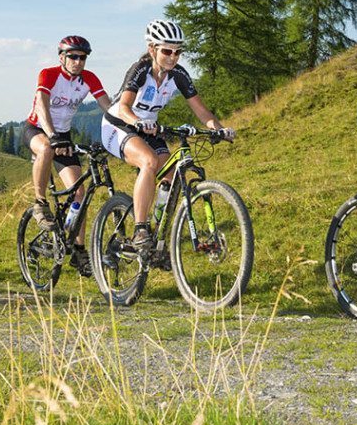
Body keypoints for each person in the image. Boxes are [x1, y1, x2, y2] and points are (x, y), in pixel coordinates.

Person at [100, 19, 235, 263]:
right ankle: (141, 229)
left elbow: (202, 111)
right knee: (149, 162)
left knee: (172, 175)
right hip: (117, 125)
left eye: (177, 52)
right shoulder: (141, 70)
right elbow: (124, 107)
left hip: (150, 129)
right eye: (167, 51)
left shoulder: (179, 75)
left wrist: (219, 129)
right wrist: (138, 122)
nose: (173, 57)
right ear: (152, 49)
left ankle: (157, 233)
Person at [24, 35, 111, 275]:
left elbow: (108, 106)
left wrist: (125, 127)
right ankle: (40, 202)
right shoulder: (49, 74)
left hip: (64, 135)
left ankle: (79, 249)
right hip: (39, 129)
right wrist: (52, 135)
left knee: (79, 193)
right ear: (62, 57)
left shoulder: (89, 78)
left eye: (82, 57)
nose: (78, 61)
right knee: (45, 149)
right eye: (73, 56)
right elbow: (41, 104)